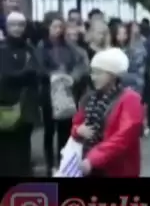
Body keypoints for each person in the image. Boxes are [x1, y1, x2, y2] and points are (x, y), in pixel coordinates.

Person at [71, 47, 144, 177]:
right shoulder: (88, 98)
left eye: (99, 73)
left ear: (113, 75)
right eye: (92, 73)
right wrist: (78, 130)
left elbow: (124, 137)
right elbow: (76, 124)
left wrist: (93, 159)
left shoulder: (130, 99)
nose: (94, 77)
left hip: (117, 168)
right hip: (87, 165)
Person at [36, 12, 88, 176]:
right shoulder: (42, 46)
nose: (58, 30)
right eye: (54, 26)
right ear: (48, 27)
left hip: (66, 92)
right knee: (49, 130)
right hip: (49, 93)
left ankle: (63, 162)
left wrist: (73, 76)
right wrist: (53, 75)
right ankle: (50, 164)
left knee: (65, 130)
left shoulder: (68, 46)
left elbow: (80, 64)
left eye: (60, 26)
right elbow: (39, 68)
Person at [0, 12, 40, 176]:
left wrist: (23, 74)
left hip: (27, 106)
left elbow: (38, 71)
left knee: (24, 147)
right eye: (13, 24)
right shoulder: (2, 48)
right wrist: (26, 74)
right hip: (6, 106)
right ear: (7, 27)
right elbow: (5, 76)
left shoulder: (30, 48)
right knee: (6, 148)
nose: (17, 28)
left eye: (21, 25)